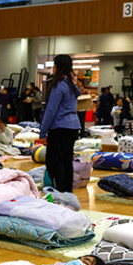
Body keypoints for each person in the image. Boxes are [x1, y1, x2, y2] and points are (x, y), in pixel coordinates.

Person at [39, 54, 82, 192]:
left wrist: (43, 132)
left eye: (54, 65)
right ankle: (67, 193)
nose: (53, 68)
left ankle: (58, 192)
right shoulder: (72, 86)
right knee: (66, 162)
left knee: (54, 163)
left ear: (58, 66)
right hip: (73, 127)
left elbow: (51, 110)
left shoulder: (59, 85)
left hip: (60, 128)